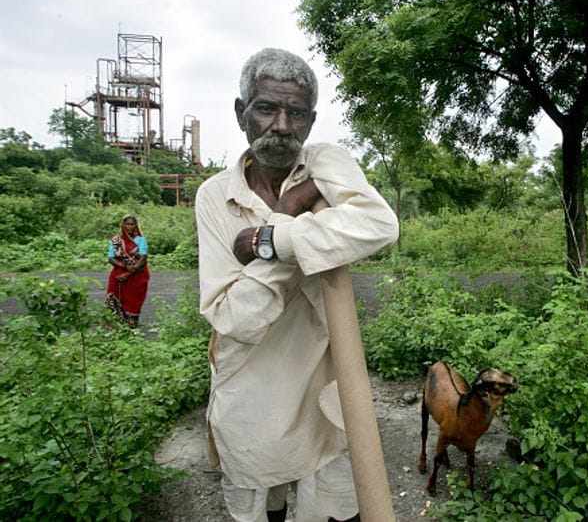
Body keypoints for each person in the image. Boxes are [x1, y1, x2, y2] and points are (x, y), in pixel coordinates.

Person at [194, 47, 399, 522]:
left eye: (296, 113)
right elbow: (235, 317)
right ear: (241, 112)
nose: (282, 126)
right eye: (267, 108)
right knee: (263, 502)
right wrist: (291, 217)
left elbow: (380, 225)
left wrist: (270, 239)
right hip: (251, 380)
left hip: (325, 376)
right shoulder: (215, 195)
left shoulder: (325, 164)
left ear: (311, 120)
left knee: (330, 500)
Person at [105, 214, 150, 327]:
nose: (130, 227)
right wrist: (125, 267)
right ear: (123, 225)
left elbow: (143, 258)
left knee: (133, 302)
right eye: (127, 224)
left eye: (132, 224)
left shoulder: (141, 240)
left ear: (136, 226)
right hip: (118, 275)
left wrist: (130, 272)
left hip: (137, 276)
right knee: (115, 300)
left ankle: (130, 327)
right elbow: (111, 258)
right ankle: (115, 327)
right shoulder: (116, 241)